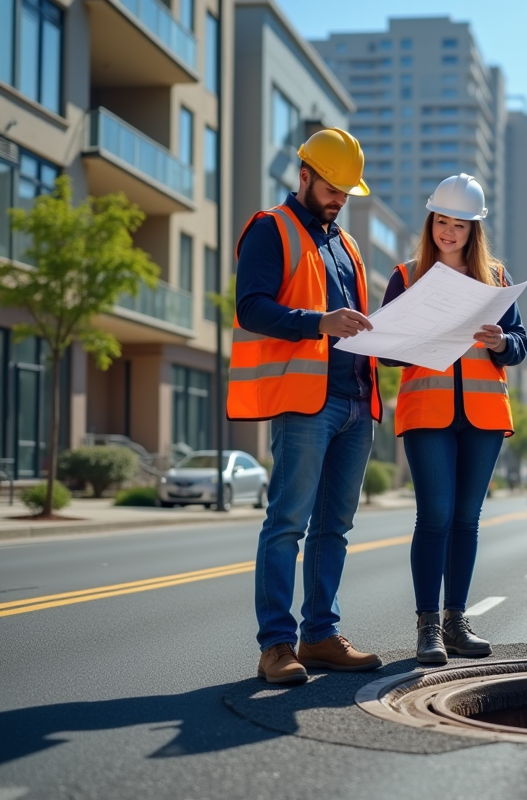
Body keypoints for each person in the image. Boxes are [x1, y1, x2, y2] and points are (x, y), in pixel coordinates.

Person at [231, 128, 384, 685]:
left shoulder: (347, 247)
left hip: (354, 402)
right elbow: (252, 308)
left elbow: (358, 326)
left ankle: (319, 636)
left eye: (347, 190)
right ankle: (276, 645)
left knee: (334, 527)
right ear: (304, 175)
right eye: (332, 186)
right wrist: (320, 324)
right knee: (287, 522)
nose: (340, 196)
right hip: (305, 402)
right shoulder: (270, 229)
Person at [380, 174, 527, 665]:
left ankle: (456, 620)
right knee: (435, 516)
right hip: (428, 411)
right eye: (441, 222)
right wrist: (419, 337)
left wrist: (502, 343)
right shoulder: (407, 276)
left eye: (459, 225)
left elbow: (520, 343)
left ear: (473, 229)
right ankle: (428, 627)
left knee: (467, 519)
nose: (448, 232)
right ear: (431, 222)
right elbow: (384, 353)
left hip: (483, 413)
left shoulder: (497, 277)